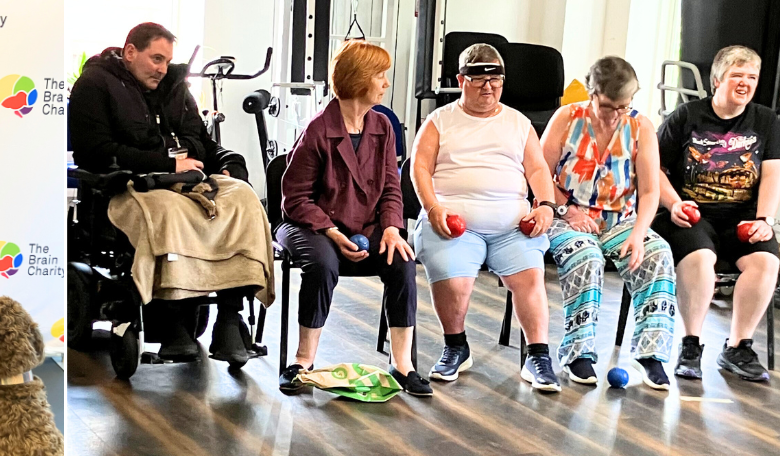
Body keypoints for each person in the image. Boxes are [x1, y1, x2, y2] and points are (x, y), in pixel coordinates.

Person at [69, 22, 256, 365]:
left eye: (166, 61)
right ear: (130, 52)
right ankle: (173, 323)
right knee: (170, 209)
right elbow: (93, 151)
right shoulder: (95, 85)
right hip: (126, 188)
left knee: (243, 199)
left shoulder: (175, 89)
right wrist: (167, 165)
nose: (161, 68)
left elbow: (206, 143)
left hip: (189, 182)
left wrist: (230, 164)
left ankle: (230, 318)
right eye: (155, 58)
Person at [275, 41, 430, 397]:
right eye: (380, 76)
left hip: (367, 225)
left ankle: (403, 363)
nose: (385, 83)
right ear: (361, 80)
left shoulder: (383, 127)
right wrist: (331, 232)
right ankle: (302, 360)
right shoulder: (318, 130)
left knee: (402, 259)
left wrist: (392, 228)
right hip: (308, 224)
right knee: (322, 261)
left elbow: (392, 186)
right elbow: (294, 199)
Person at [411, 43, 561, 392]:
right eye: (479, 81)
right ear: (461, 80)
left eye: (496, 80)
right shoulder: (439, 121)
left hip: (512, 226)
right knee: (455, 282)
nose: (489, 87)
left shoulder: (518, 122)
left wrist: (545, 206)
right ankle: (456, 347)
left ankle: (538, 356)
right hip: (451, 223)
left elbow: (538, 168)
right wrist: (433, 208)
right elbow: (419, 168)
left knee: (529, 278)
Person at [541, 56, 676, 390]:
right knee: (586, 258)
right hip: (568, 216)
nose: (616, 114)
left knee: (658, 255)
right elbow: (539, 175)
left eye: (624, 106)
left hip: (620, 220)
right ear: (592, 93)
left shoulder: (640, 127)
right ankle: (579, 354)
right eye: (608, 106)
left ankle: (651, 354)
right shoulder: (567, 118)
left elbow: (649, 191)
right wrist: (567, 211)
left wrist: (640, 235)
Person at [653, 45, 780, 382]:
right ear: (717, 80)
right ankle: (691, 344)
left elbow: (771, 174)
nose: (745, 83)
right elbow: (654, 170)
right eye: (737, 75)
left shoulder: (766, 120)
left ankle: (738, 347)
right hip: (689, 214)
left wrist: (765, 220)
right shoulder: (686, 115)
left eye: (752, 77)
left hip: (743, 217)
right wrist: (673, 203)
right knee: (699, 257)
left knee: (767, 261)